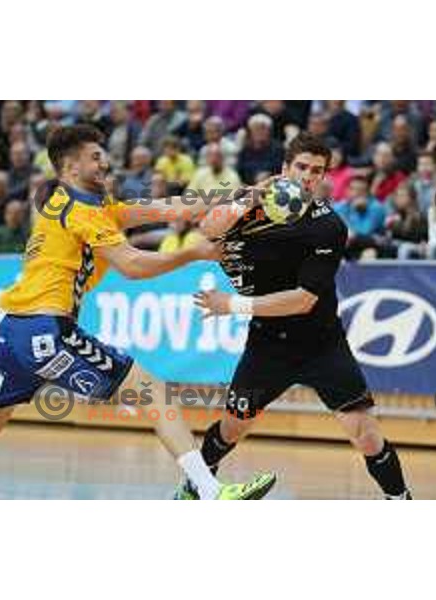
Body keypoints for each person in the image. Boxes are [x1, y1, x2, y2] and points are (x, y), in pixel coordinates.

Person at [0, 124, 275, 501]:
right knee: (153, 393)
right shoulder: (83, 212)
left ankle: (204, 490)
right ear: (71, 169)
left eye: (104, 154)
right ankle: (208, 492)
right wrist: (191, 253)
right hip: (46, 331)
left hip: (12, 335)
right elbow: (132, 265)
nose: (106, 162)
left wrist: (244, 194)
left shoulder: (86, 205)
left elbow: (175, 207)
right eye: (95, 157)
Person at [175, 132, 411, 500]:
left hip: (322, 344)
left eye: (316, 170)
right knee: (231, 428)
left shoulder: (328, 227)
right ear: (284, 168)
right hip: (268, 345)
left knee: (365, 433)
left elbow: (303, 300)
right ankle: (194, 492)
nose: (307, 176)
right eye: (301, 167)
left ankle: (400, 500)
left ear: (323, 177)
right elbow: (207, 229)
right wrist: (251, 195)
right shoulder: (252, 206)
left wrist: (231, 305)